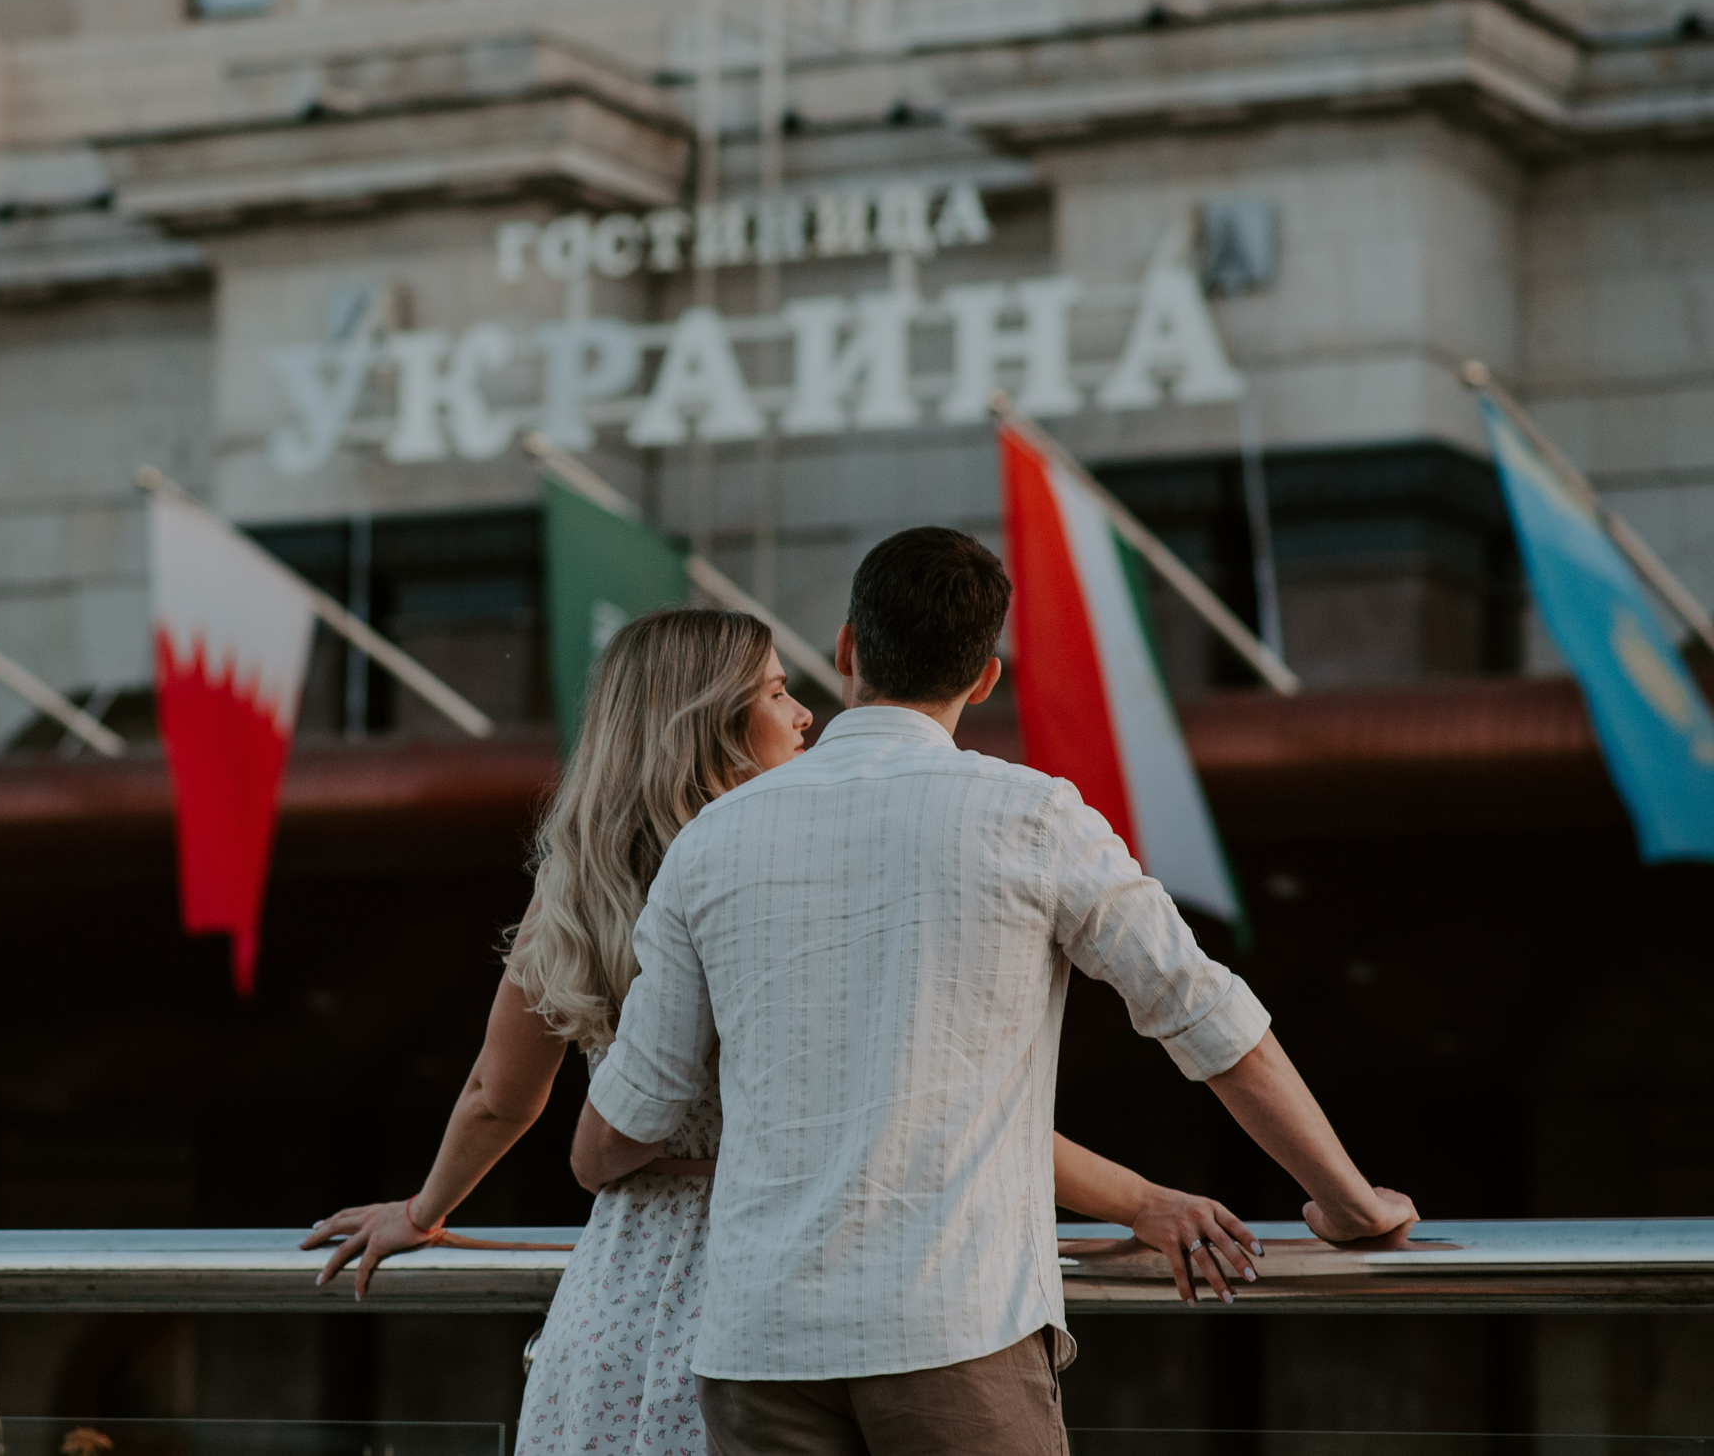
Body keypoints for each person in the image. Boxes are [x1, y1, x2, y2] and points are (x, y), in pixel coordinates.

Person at [302, 607, 1265, 1456]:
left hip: (623, 1296)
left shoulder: (577, 884)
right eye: (774, 691)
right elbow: (935, 1106)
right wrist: (1140, 1198)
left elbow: (497, 1093)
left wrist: (422, 1209)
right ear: (710, 727)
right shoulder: (782, 876)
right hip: (782, 1286)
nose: (807, 711)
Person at [572, 532, 1418, 1456]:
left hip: (757, 1343)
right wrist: (1350, 1203)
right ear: (985, 678)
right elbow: (1206, 1018)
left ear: (850, 649)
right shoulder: (1036, 816)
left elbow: (633, 1115)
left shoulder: (713, 840)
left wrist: (591, 1159)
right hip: (955, 1322)